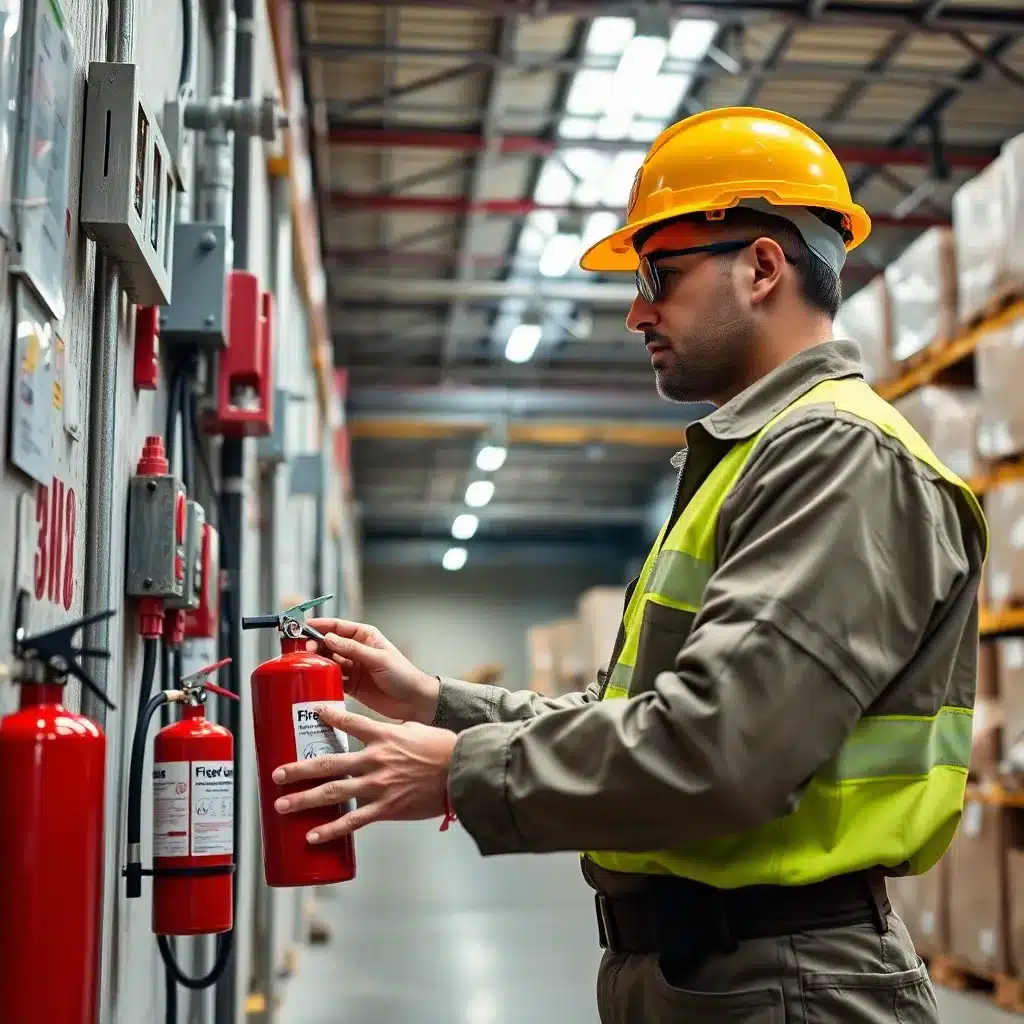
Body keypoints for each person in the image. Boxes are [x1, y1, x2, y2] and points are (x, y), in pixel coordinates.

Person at [270, 107, 989, 1023]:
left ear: (762, 266)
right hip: (716, 972)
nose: (636, 309)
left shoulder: (837, 457)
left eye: (660, 273)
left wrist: (461, 769)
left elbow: (720, 746)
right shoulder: (753, 454)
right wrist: (435, 702)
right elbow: (644, 715)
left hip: (786, 983)